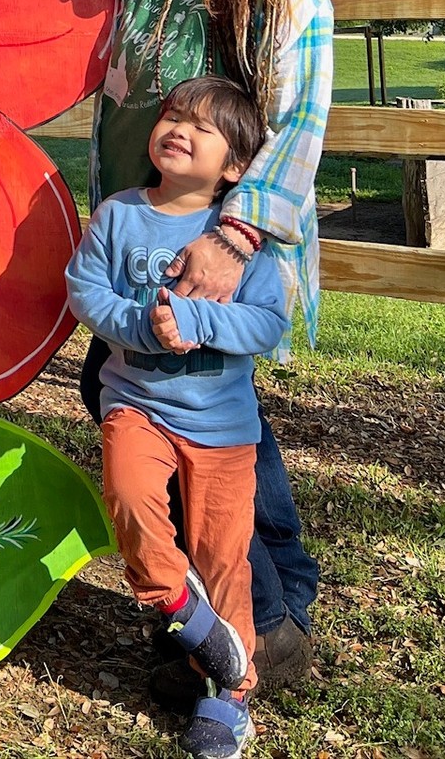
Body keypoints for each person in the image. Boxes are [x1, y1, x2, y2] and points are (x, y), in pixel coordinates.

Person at [80, 0, 334, 703]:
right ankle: (263, 604)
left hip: (220, 235)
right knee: (190, 405)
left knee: (192, 408)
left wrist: (233, 236)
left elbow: (299, 121)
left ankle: (250, 621)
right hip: (140, 220)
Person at [68, 76, 286, 759]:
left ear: (233, 167)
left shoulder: (242, 243)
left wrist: (195, 320)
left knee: (223, 556)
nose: (179, 129)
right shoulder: (118, 216)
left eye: (201, 126)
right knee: (130, 500)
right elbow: (84, 289)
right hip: (136, 404)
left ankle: (228, 694)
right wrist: (143, 325)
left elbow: (267, 323)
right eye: (172, 115)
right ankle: (179, 607)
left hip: (223, 427)